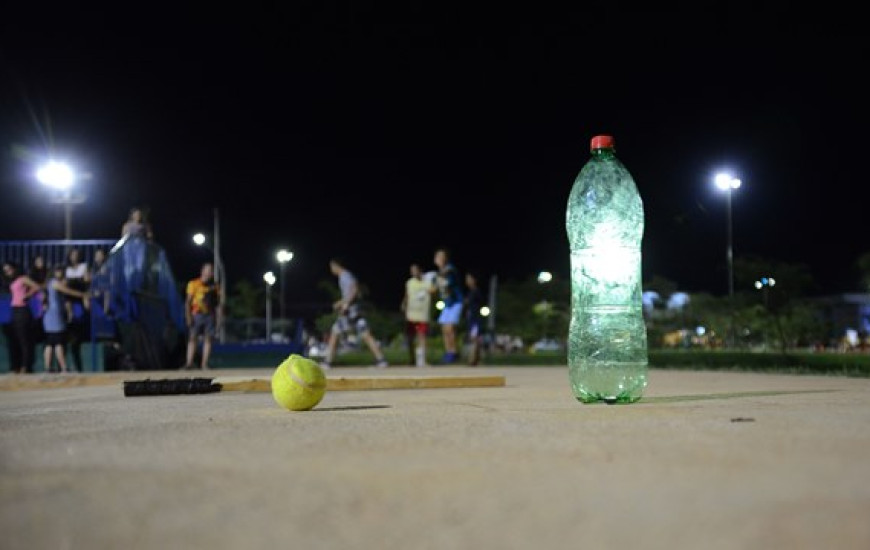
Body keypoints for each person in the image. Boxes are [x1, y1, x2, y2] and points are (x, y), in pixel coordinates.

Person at [321, 258, 388, 369]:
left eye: (331, 267)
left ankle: (327, 362)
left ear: (336, 265)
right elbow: (353, 291)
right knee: (366, 334)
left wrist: (345, 304)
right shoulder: (346, 275)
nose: (331, 269)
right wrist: (342, 302)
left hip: (349, 312)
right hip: (355, 310)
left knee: (335, 332)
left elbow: (354, 289)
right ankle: (381, 360)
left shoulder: (345, 276)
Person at [42, 264, 90, 373]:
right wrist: (83, 294)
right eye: (58, 270)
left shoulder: (49, 283)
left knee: (50, 343)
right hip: (54, 316)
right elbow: (68, 291)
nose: (61, 273)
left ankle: (48, 368)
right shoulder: (54, 283)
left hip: (50, 316)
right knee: (58, 342)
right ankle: (63, 367)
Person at [2, 262, 41, 374]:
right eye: (6, 271)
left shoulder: (23, 278)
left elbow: (37, 287)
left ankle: (25, 366)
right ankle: (17, 366)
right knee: (16, 339)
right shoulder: (11, 281)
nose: (8, 272)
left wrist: (27, 295)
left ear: (14, 268)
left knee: (24, 339)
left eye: (9, 269)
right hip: (14, 310)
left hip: (22, 310)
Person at [183, 262, 223, 370]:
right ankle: (189, 363)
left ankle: (204, 364)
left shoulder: (215, 286)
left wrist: (219, 319)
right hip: (196, 315)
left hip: (210, 315)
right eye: (207, 270)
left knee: (208, 339)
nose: (209, 273)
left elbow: (218, 304)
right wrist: (188, 316)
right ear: (202, 271)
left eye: (211, 271)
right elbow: (188, 302)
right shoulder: (193, 284)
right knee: (192, 338)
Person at [401, 263, 436, 366]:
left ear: (420, 270)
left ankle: (422, 360)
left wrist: (431, 283)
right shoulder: (409, 282)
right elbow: (407, 295)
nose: (413, 272)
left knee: (422, 336)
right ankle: (412, 359)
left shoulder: (427, 282)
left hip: (423, 314)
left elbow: (434, 292)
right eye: (412, 271)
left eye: (415, 270)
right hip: (411, 314)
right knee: (410, 337)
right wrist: (404, 305)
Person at [433, 247, 463, 364]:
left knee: (450, 328)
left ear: (445, 258)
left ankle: (454, 352)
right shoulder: (439, 273)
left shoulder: (450, 269)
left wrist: (440, 277)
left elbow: (449, 279)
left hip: (456, 302)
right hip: (447, 303)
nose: (438, 258)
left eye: (441, 256)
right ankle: (448, 352)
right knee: (444, 328)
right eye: (437, 256)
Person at [64, 247, 90, 372]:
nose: (74, 257)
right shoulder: (67, 269)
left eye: (76, 254)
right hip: (71, 296)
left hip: (80, 293)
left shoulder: (83, 266)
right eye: (72, 255)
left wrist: (83, 295)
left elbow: (87, 281)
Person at [463, 270, 484, 366]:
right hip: (471, 319)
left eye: (469, 279)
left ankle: (473, 359)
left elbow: (480, 304)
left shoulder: (476, 291)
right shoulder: (470, 292)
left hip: (475, 319)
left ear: (474, 280)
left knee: (474, 338)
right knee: (473, 338)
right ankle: (476, 359)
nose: (467, 281)